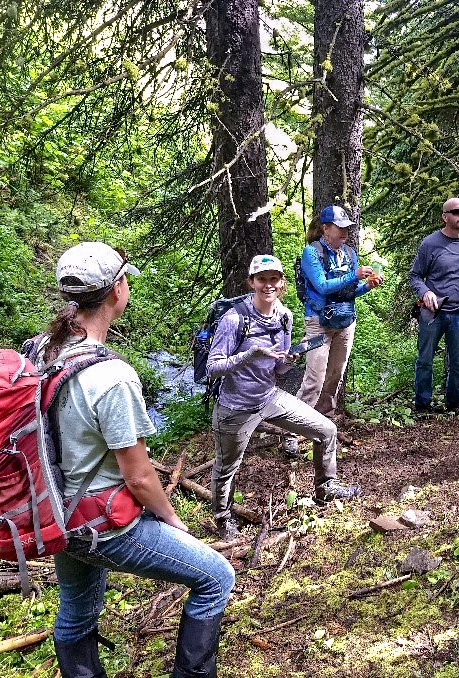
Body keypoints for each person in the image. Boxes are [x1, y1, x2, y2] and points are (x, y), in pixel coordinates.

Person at [39, 242, 235, 678]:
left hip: (54, 513)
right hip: (103, 525)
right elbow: (140, 477)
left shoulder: (42, 353)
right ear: (116, 291)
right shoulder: (112, 376)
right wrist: (174, 522)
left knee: (75, 611)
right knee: (216, 578)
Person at [207, 254, 360, 541]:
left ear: (282, 283)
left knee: (327, 429)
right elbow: (213, 368)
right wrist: (249, 354)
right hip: (235, 407)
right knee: (227, 467)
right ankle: (222, 518)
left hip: (269, 396)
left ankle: (326, 486)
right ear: (251, 282)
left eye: (273, 279)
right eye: (262, 279)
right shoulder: (234, 318)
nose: (268, 285)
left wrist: (288, 360)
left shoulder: (284, 316)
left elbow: (279, 367)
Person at [287, 205, 383, 455]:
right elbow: (323, 286)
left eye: (347, 228)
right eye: (340, 228)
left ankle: (324, 422)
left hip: (345, 322)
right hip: (318, 323)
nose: (345, 233)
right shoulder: (311, 252)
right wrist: (355, 275)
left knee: (335, 377)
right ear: (325, 228)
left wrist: (367, 286)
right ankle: (291, 433)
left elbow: (349, 292)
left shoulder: (349, 253)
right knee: (314, 380)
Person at [409, 196, 459, 413]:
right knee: (425, 360)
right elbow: (415, 276)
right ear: (445, 217)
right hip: (432, 313)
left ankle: (454, 405)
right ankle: (422, 405)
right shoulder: (430, 243)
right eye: (455, 211)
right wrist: (425, 293)